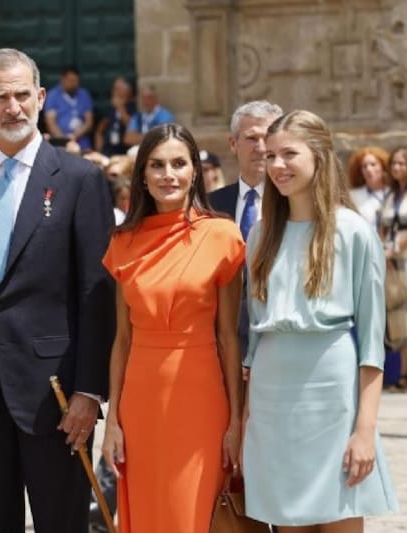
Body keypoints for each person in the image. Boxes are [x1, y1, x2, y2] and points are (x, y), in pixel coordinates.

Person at [0, 48, 115, 532]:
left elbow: (96, 295)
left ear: (40, 97)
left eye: (21, 95)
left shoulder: (80, 180)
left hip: (57, 398)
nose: (12, 107)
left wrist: (89, 391)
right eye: (0, 98)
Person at [244, 109, 399, 530]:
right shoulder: (260, 235)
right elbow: (253, 343)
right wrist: (246, 421)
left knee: (340, 515)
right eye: (270, 155)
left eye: (289, 154)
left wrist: (365, 430)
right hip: (271, 402)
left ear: (319, 155)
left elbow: (372, 345)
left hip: (333, 397)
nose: (277, 165)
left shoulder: (354, 232)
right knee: (286, 521)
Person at [100, 123, 244, 532]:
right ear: (142, 175)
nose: (169, 175)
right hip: (140, 402)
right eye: (157, 165)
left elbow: (228, 337)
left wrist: (236, 420)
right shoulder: (123, 241)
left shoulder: (222, 235)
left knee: (193, 511)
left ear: (195, 171)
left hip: (201, 398)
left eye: (179, 164)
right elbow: (122, 340)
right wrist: (112, 421)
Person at [209, 100, 283, 359]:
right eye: (252, 138)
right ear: (233, 143)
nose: (261, 148)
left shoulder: (295, 205)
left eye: (268, 138)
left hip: (279, 336)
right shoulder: (209, 206)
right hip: (223, 340)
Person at [380, 146, 407, 389]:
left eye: (401, 163)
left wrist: (396, 248)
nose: (396, 167)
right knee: (398, 312)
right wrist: (383, 250)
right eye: (393, 163)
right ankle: (406, 370)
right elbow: (383, 226)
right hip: (390, 258)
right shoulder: (391, 195)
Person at [44, 66, 95, 151]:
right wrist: (64, 140)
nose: (73, 84)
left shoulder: (84, 94)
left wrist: (75, 136)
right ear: (62, 80)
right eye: (70, 80)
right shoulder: (53, 95)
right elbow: (51, 123)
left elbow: (89, 122)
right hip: (60, 143)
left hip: (81, 142)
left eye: (76, 81)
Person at [346, 146, 390, 229]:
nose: (369, 169)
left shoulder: (393, 193)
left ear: (383, 167)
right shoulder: (353, 196)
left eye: (373, 164)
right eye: (364, 166)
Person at [95, 76, 136, 156]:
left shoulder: (132, 107)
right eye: (114, 88)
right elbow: (99, 131)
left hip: (125, 151)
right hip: (108, 150)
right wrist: (99, 151)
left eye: (118, 89)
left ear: (127, 91)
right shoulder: (110, 109)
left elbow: (131, 126)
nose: (114, 91)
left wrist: (120, 107)